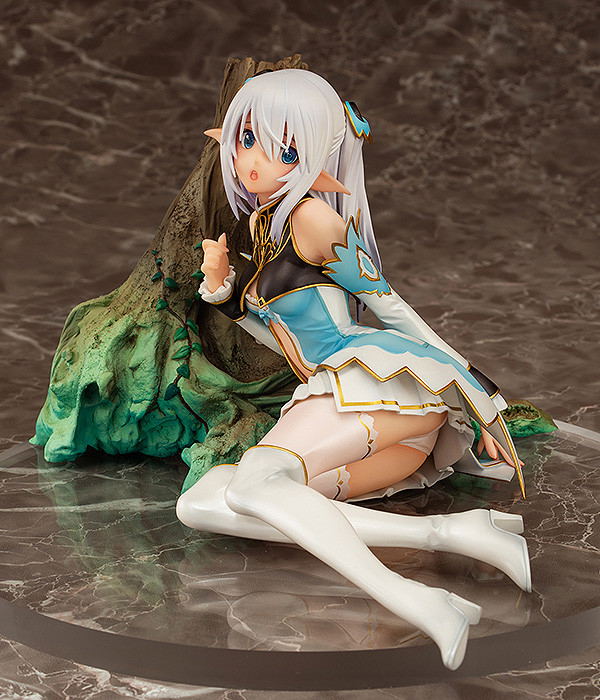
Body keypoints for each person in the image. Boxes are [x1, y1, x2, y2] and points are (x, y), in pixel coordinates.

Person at [176, 68, 530, 670]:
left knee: (255, 483)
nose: (254, 161)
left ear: (315, 158)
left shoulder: (313, 218)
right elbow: (287, 337)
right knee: (206, 502)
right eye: (247, 139)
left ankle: (419, 601)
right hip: (350, 404)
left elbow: (394, 309)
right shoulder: (266, 226)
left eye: (284, 150)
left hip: (376, 384)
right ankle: (460, 533)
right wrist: (224, 291)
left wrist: (480, 397)